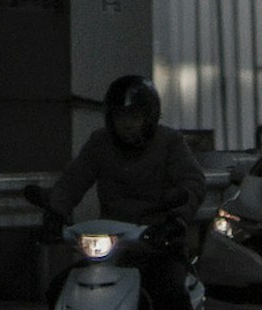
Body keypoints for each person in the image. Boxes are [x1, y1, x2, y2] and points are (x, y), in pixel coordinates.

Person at [43, 70, 206, 238]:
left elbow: (192, 183)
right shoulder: (101, 142)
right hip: (112, 235)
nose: (127, 124)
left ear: (149, 118)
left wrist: (177, 219)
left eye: (134, 117)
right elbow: (73, 179)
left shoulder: (169, 142)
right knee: (82, 265)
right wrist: (56, 212)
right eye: (120, 117)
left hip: (158, 235)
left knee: (172, 265)